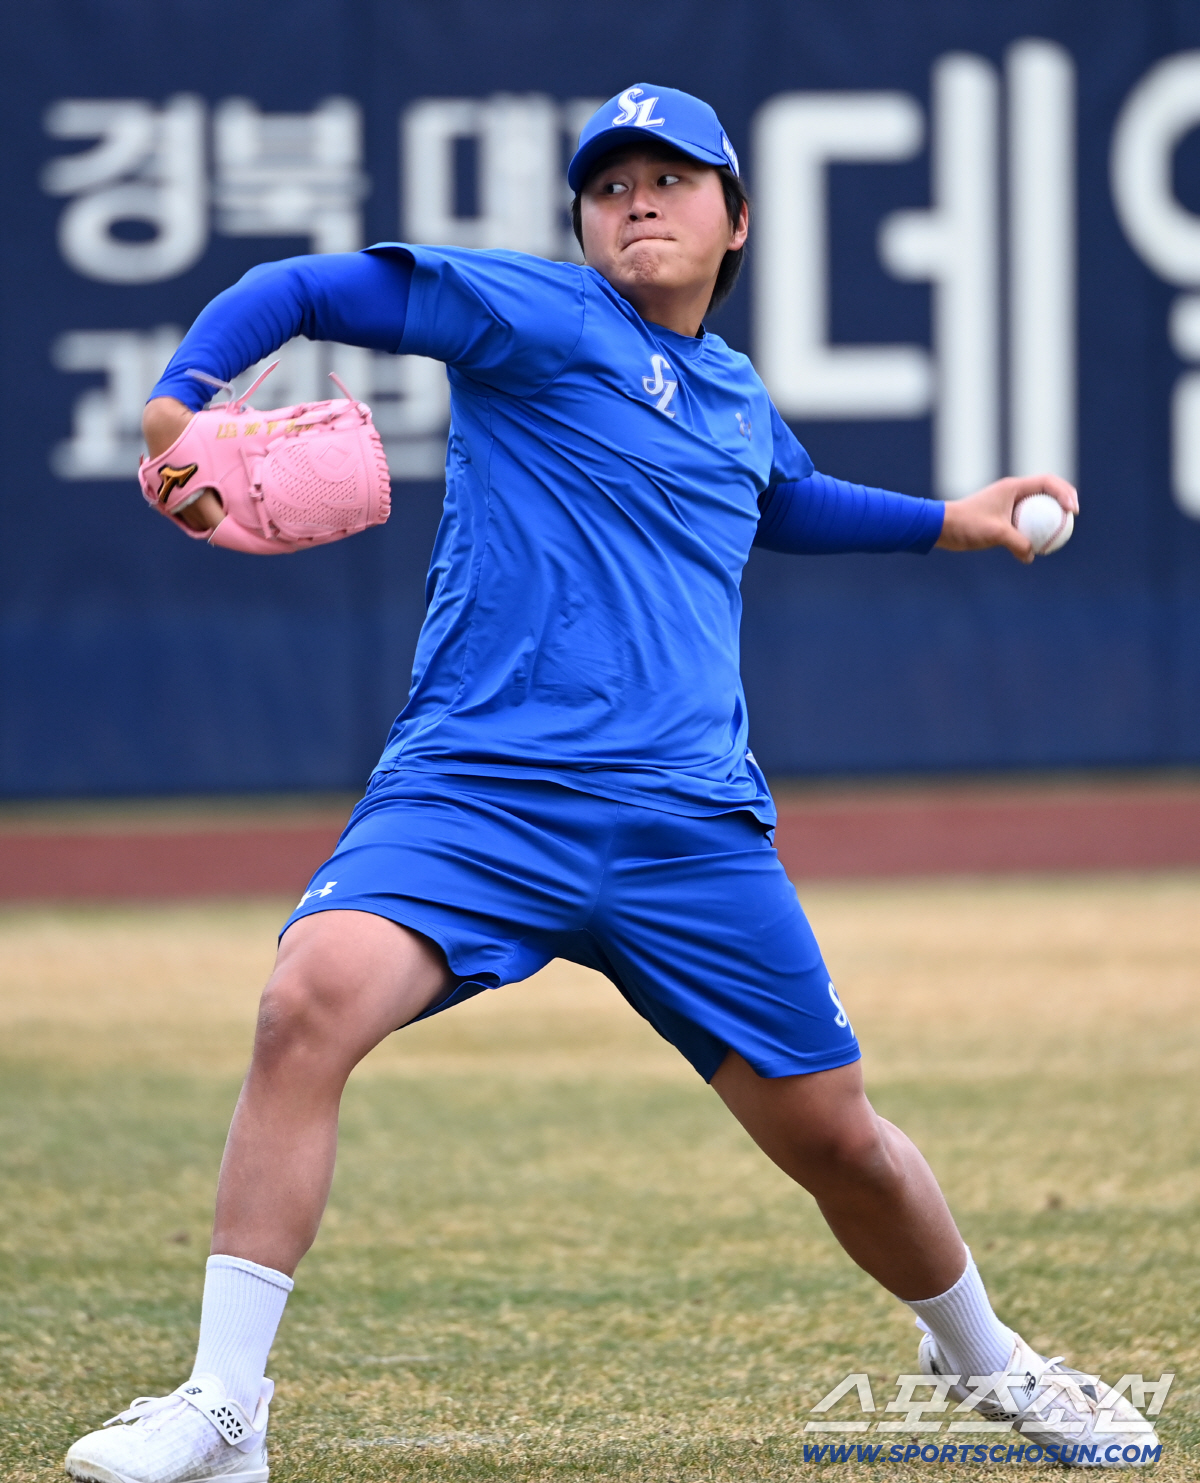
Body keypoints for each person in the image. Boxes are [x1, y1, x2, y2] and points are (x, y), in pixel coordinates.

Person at [66, 86, 1152, 1483]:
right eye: (610, 182)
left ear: (736, 220)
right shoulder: (536, 317)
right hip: (477, 791)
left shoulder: (737, 396)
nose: (638, 198)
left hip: (685, 827)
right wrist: (183, 401)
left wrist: (953, 521)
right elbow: (304, 284)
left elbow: (779, 500)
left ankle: (988, 1362)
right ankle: (224, 1406)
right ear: (581, 224)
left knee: (843, 1143)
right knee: (305, 1002)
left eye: (673, 176)